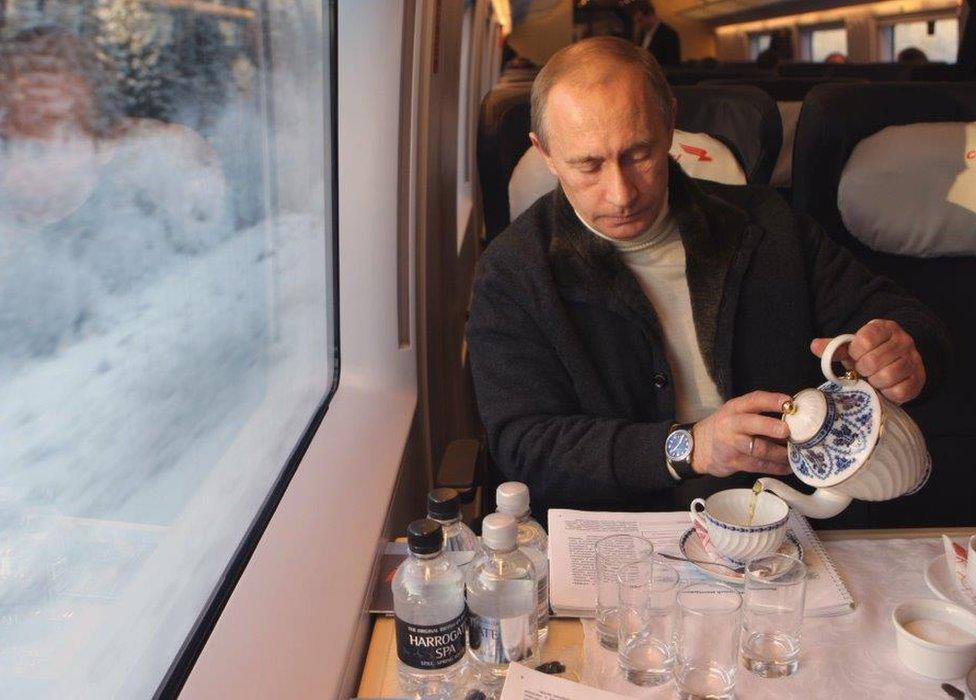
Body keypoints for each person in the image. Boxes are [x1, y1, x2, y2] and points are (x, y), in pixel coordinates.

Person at [466, 37, 949, 520]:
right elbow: (525, 444)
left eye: (639, 154)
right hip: (624, 529)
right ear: (545, 153)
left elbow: (898, 316)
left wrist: (906, 351)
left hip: (789, 522)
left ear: (669, 123)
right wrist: (689, 447)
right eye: (588, 165)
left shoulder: (769, 225)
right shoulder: (513, 274)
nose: (620, 194)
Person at [632, 0, 681, 67]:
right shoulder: (642, 35)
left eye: (640, 20)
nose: (639, 24)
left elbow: (672, 65)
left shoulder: (669, 35)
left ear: (650, 15)